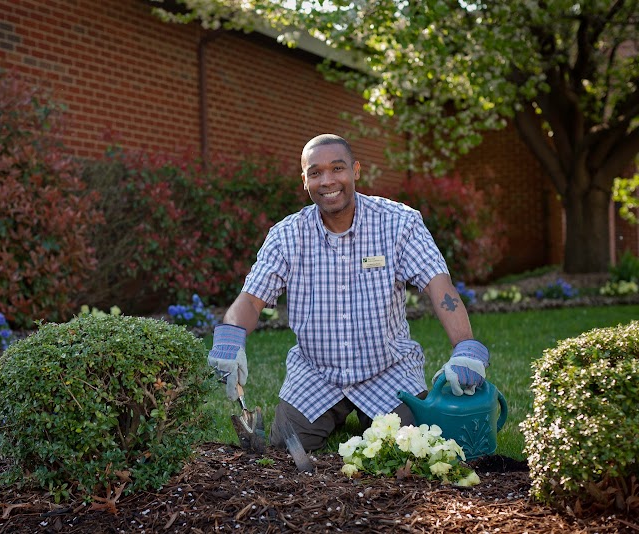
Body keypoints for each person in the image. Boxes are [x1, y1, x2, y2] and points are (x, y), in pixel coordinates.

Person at [208, 133, 490, 452]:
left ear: (355, 170)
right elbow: (251, 298)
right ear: (305, 180)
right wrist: (230, 335)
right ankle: (327, 416)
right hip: (316, 373)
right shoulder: (286, 236)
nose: (327, 180)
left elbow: (439, 287)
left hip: (387, 370)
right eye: (315, 173)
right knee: (286, 452)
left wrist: (466, 346)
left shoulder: (400, 223)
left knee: (412, 451)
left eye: (337, 168)